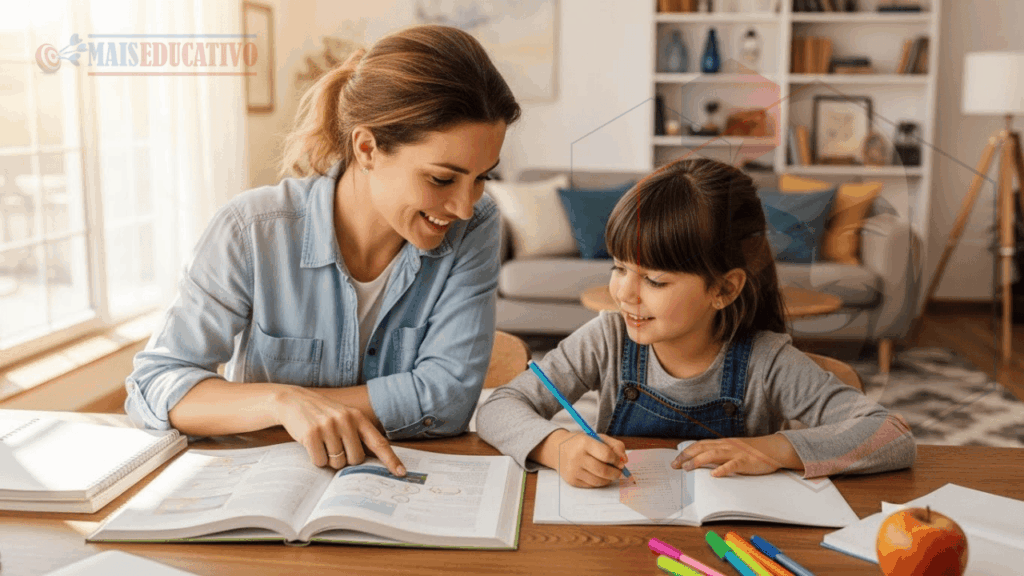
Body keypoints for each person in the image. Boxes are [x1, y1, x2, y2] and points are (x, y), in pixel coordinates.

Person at [124, 25, 521, 476]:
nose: (465, 207)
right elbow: (155, 385)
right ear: (367, 147)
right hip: (267, 487)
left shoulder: (475, 228)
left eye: (483, 176)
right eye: (442, 179)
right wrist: (283, 400)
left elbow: (447, 400)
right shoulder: (251, 230)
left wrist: (282, 407)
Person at [476, 158, 916, 488]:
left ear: (723, 290)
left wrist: (777, 449)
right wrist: (559, 446)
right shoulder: (605, 340)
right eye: (619, 267)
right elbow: (498, 407)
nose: (625, 292)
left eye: (654, 279)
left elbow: (891, 436)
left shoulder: (766, 361)